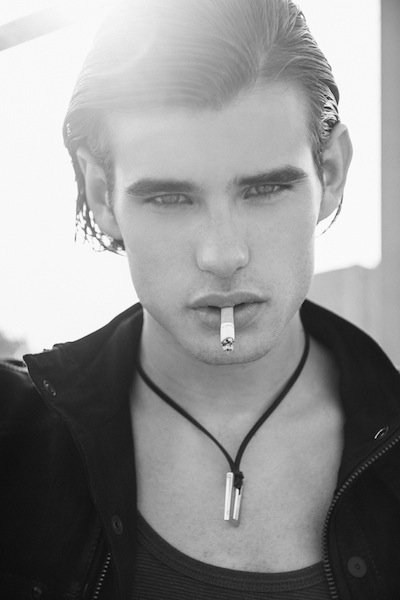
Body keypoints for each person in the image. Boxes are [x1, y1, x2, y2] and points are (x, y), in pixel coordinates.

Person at [1, 0, 400, 598]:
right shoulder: (13, 444)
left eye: (265, 189)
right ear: (103, 196)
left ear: (332, 173)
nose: (223, 254)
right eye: (170, 199)